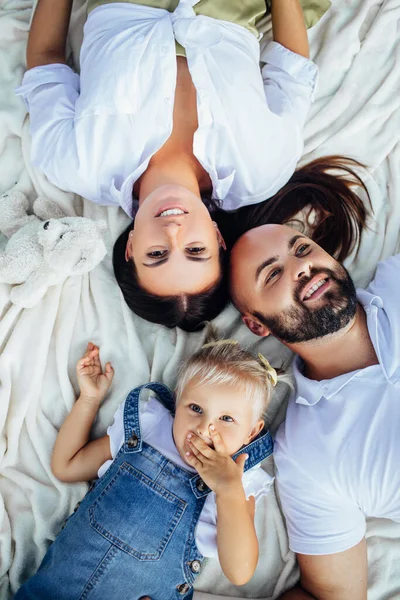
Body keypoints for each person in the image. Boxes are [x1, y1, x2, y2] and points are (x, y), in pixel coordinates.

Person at [16, 0, 319, 329]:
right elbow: (292, 73)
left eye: (157, 254)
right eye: (195, 249)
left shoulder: (73, 165)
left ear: (131, 247)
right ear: (218, 238)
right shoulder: (261, 170)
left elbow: (45, 61)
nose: (173, 232)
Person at [16, 334, 282, 599]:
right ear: (177, 403)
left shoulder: (238, 482)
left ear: (251, 433)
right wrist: (89, 399)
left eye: (226, 418)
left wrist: (228, 491)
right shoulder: (148, 428)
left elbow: (240, 572)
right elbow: (67, 465)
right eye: (196, 408)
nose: (205, 429)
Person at [229, 222, 400, 600]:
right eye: (273, 274)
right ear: (257, 324)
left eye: (303, 249)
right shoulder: (307, 455)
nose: (300, 268)